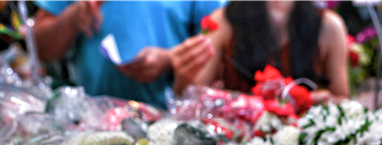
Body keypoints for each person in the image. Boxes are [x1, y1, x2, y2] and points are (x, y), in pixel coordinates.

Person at [33, 1, 221, 109]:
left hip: (168, 122)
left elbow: (218, 51)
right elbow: (39, 48)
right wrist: (72, 17)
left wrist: (171, 60)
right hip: (90, 120)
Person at [171, 0, 349, 104]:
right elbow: (189, 97)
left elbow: (342, 102)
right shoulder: (224, 20)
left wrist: (317, 101)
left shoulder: (329, 26)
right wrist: (183, 75)